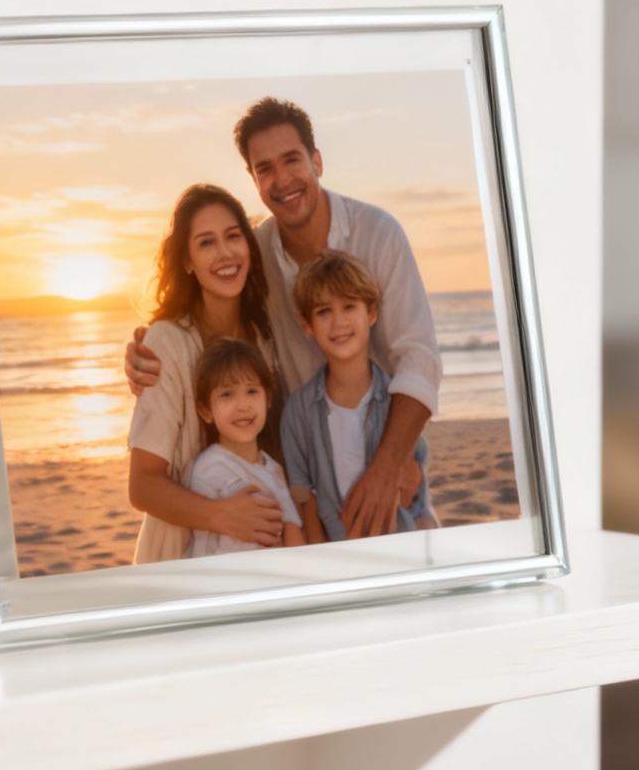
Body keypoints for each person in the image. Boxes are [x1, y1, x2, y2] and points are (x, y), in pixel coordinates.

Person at [126, 97, 441, 539]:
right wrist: (149, 345)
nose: (282, 179)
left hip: (383, 455)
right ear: (254, 180)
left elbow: (419, 359)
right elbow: (203, 311)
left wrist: (389, 467)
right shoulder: (255, 256)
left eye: (292, 160)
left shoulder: (378, 233)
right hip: (303, 476)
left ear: (317, 161)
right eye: (265, 169)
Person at [125, 185, 289, 563]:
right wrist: (222, 516)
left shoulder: (263, 339)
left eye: (233, 236)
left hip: (255, 558)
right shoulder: (167, 343)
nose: (225, 253)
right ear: (187, 261)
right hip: (180, 563)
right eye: (206, 243)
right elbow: (143, 485)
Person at [280, 250, 434, 540]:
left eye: (349, 306)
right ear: (307, 325)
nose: (338, 322)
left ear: (372, 313)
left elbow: (412, 496)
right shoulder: (298, 410)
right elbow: (304, 497)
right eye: (323, 312)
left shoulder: (397, 404)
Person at [181, 339, 317, 557]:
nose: (243, 406)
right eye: (227, 394)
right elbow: (205, 546)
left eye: (252, 391)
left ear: (267, 399)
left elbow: (292, 535)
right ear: (206, 411)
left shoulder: (274, 469)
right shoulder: (208, 468)